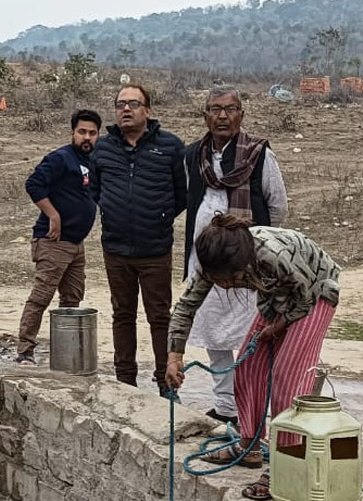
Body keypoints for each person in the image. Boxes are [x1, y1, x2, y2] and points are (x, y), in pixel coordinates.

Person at [165, 215, 341, 500]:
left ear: (241, 266)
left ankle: (285, 465)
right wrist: (174, 355)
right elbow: (186, 306)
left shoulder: (272, 256)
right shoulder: (216, 262)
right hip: (278, 298)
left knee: (287, 378)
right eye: (216, 280)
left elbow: (304, 298)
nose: (221, 286)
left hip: (315, 291)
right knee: (247, 367)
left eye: (226, 280)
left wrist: (278, 327)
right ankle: (249, 446)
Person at [182, 87, 288, 427]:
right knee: (213, 333)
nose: (223, 116)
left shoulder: (258, 154)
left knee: (249, 334)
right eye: (215, 109)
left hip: (247, 266)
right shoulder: (194, 155)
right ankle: (226, 406)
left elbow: (277, 206)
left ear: (241, 115)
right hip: (206, 261)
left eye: (230, 109)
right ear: (205, 116)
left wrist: (250, 241)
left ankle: (252, 407)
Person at [90, 85, 186, 395]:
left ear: (148, 110)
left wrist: (158, 218)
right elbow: (96, 191)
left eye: (133, 103)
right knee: (122, 314)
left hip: (155, 249)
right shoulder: (103, 149)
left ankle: (166, 384)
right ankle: (125, 383)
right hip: (115, 248)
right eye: (120, 104)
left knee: (159, 317)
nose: (126, 110)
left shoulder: (171, 147)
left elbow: (182, 194)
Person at [15, 109, 101, 364]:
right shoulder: (61, 158)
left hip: (77, 243)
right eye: (82, 132)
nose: (87, 137)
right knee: (41, 296)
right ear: (72, 133)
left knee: (72, 298)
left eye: (92, 133)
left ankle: (66, 352)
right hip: (54, 240)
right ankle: (25, 350)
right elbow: (33, 184)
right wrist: (53, 215)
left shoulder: (92, 161)